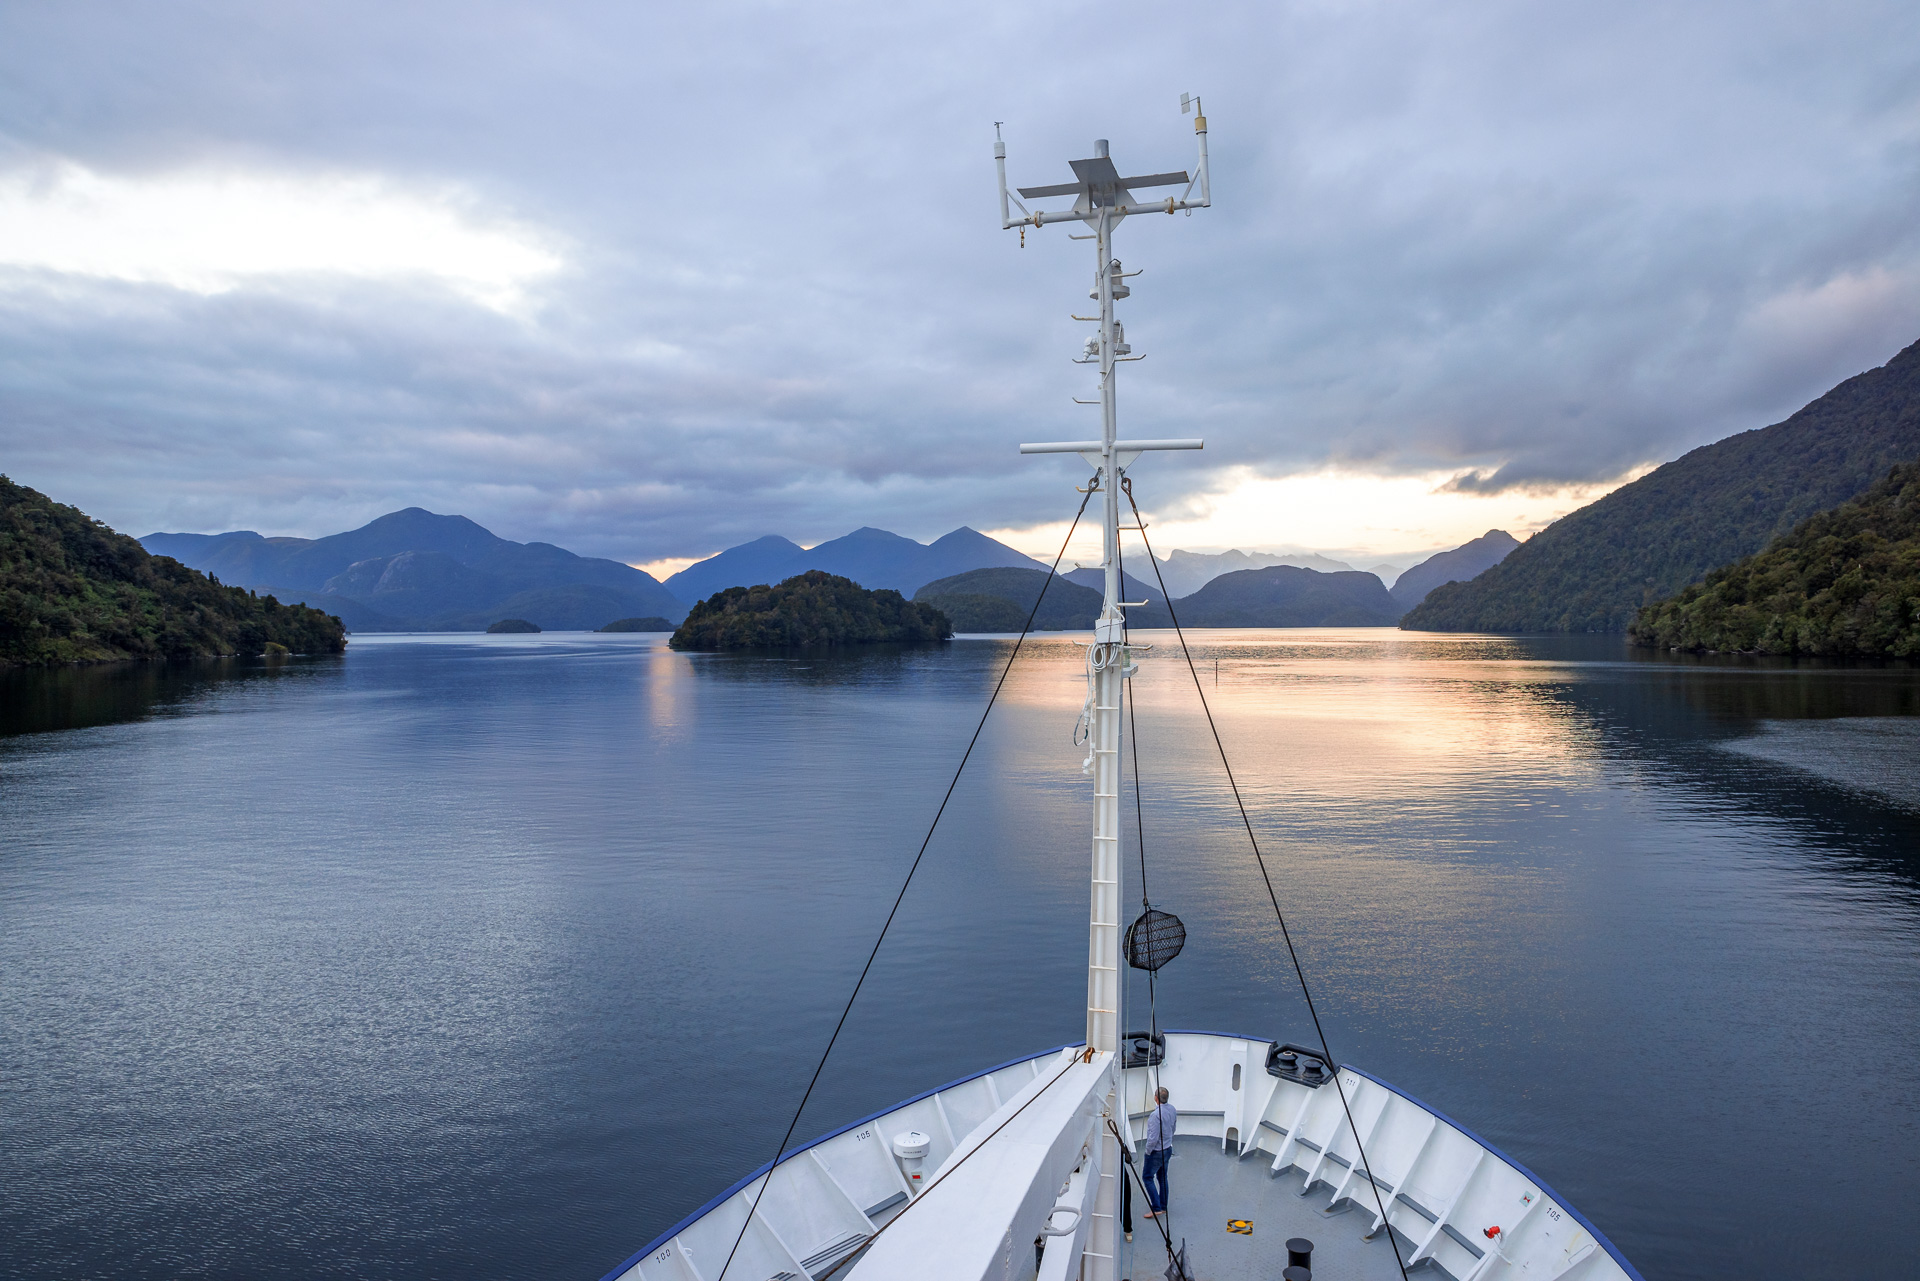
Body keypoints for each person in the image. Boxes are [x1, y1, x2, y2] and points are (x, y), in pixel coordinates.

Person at [1141, 1085, 1175, 1219]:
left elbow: (1152, 1138)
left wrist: (1147, 1152)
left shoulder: (1155, 1116)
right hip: (1167, 1149)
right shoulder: (1172, 1109)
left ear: (1156, 1098)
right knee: (1162, 1177)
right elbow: (1173, 1128)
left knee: (1147, 1178)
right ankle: (1163, 1206)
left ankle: (1156, 1208)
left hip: (1156, 1152)